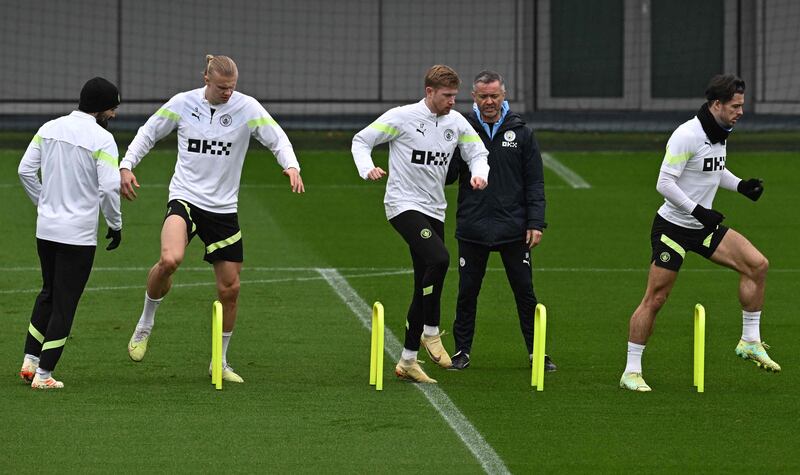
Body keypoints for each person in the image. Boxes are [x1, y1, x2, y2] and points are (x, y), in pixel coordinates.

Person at [122, 55, 304, 383]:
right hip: (185, 199)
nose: (227, 93)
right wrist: (127, 164)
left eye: (232, 88)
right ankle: (146, 322)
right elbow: (149, 132)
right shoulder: (182, 103)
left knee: (230, 288)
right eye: (222, 87)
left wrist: (291, 165)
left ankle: (219, 362)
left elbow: (276, 136)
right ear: (206, 79)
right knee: (170, 259)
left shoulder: (247, 107)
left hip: (222, 210)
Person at [619, 74, 780, 392]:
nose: (741, 111)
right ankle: (631, 371)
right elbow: (664, 183)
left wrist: (740, 186)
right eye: (735, 106)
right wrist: (697, 210)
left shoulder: (721, 131)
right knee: (656, 298)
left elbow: (713, 169)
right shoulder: (687, 135)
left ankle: (749, 340)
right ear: (716, 104)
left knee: (757, 265)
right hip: (674, 228)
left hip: (702, 226)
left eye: (742, 105)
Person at [352, 64, 490, 384]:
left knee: (424, 281)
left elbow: (476, 152)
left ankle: (408, 361)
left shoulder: (455, 122)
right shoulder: (402, 117)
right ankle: (430, 331)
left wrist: (480, 173)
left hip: (434, 210)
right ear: (429, 92)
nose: (452, 101)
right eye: (446, 96)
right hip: (403, 206)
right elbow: (362, 140)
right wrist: (367, 167)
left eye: (455, 96)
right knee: (440, 258)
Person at [445, 70, 555, 372]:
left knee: (525, 292)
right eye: (483, 97)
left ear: (504, 95)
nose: (489, 101)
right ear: (474, 98)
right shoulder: (462, 129)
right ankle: (461, 351)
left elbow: (535, 183)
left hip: (514, 228)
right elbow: (450, 175)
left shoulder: (521, 133)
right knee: (467, 292)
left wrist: (536, 223)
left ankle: (537, 353)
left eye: (494, 95)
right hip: (473, 226)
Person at [18, 77, 122, 389]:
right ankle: (44, 376)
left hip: (46, 229)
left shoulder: (48, 128)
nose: (114, 115)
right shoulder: (103, 140)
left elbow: (24, 170)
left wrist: (44, 203)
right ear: (101, 109)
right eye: (113, 109)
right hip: (77, 236)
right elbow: (110, 188)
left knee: (48, 293)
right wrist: (115, 224)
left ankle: (30, 361)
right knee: (65, 302)